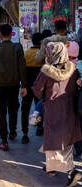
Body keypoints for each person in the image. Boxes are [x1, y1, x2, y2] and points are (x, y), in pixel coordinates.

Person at [33, 42, 82, 186]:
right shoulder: (74, 70)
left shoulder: (46, 72)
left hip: (54, 111)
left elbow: (38, 91)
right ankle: (51, 167)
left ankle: (71, 171)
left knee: (54, 142)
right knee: (65, 141)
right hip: (70, 109)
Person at [0, 24, 28, 151]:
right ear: (12, 33)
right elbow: (22, 67)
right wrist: (24, 85)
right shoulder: (17, 47)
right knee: (13, 108)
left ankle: (3, 140)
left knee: (1, 112)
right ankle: (12, 131)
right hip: (14, 84)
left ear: (0, 34)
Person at [20, 32, 45, 144]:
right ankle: (39, 127)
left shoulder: (26, 53)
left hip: (27, 84)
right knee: (38, 107)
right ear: (41, 42)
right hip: (39, 85)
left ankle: (25, 133)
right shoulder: (43, 55)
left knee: (25, 108)